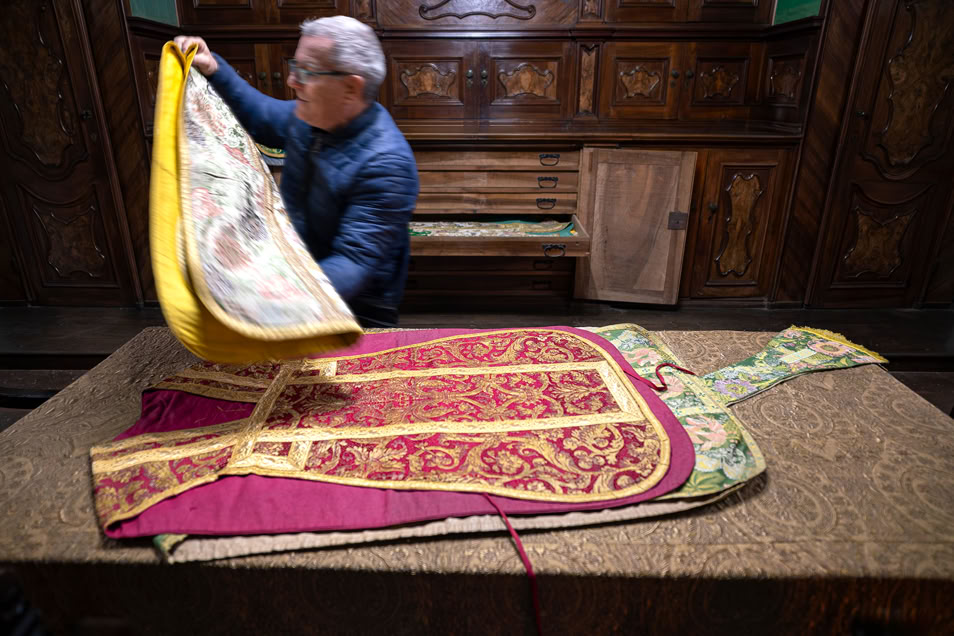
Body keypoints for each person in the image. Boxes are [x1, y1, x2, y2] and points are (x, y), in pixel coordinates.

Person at [174, 16, 418, 328]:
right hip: (295, 276)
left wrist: (269, 296)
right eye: (295, 67)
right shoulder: (311, 116)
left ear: (350, 87)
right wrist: (213, 67)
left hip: (357, 307)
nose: (292, 80)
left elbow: (354, 262)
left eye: (307, 72)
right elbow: (260, 113)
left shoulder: (387, 164)